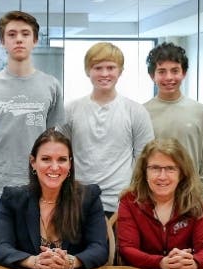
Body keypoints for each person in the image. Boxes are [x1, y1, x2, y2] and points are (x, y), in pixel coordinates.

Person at [0, 10, 64, 251]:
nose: (18, 39)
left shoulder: (51, 86)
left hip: (37, 189)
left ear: (35, 40)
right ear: (3, 41)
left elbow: (50, 140)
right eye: (12, 34)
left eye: (25, 34)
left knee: (33, 257)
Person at [0, 128, 108, 269]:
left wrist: (71, 262)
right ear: (33, 162)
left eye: (62, 159)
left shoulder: (88, 197)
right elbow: (1, 247)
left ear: (70, 164)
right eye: (46, 159)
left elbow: (99, 248)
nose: (54, 167)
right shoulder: (13, 198)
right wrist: (33, 261)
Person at [61, 41, 153, 216]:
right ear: (88, 70)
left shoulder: (136, 111)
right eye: (98, 68)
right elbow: (61, 155)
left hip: (121, 204)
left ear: (120, 71)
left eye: (111, 68)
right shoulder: (70, 110)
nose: (104, 74)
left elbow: (145, 160)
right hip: (78, 202)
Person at [117, 138, 203, 269]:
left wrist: (193, 262)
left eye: (170, 168)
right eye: (155, 168)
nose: (162, 176)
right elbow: (127, 249)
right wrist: (160, 262)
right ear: (144, 172)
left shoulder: (194, 202)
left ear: (181, 173)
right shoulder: (129, 201)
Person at [143, 42, 203, 213]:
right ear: (152, 75)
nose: (169, 77)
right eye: (162, 71)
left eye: (175, 71)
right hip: (152, 202)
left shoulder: (201, 112)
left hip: (191, 200)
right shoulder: (142, 113)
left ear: (184, 73)